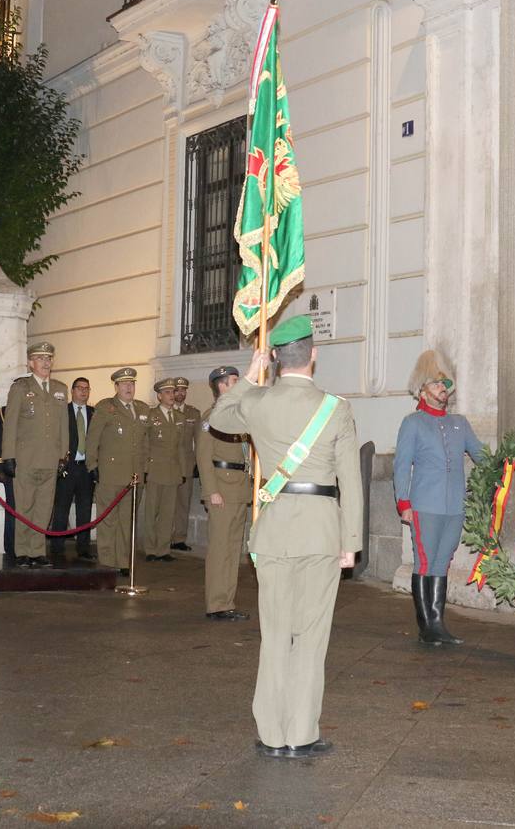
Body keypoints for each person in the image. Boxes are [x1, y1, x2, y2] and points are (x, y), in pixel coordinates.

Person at [210, 315, 362, 759]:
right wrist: (349, 541)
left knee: (275, 634)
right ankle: (301, 732)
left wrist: (249, 377)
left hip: (274, 531)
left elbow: (218, 418)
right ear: (314, 355)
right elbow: (350, 480)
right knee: (311, 636)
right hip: (320, 530)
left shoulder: (257, 401)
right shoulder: (337, 409)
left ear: (275, 358)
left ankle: (272, 735)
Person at [393, 351, 486, 647]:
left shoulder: (460, 423)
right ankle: (426, 627)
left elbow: (483, 457)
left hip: (454, 506)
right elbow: (401, 465)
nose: (442, 388)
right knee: (424, 562)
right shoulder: (413, 423)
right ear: (422, 391)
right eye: (435, 384)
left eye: (444, 384)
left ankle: (438, 624)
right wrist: (403, 502)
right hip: (424, 504)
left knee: (442, 563)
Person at [0, 341, 69, 568]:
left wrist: (63, 455)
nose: (46, 362)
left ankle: (37, 551)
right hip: (26, 459)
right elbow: (10, 425)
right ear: (31, 363)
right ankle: (22, 552)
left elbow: (63, 425)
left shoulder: (60, 389)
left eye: (49, 358)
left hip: (50, 459)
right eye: (40, 358)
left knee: (43, 507)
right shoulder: (20, 388)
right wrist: (7, 456)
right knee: (24, 506)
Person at [195, 366, 251, 621]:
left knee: (233, 548)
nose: (238, 385)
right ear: (222, 386)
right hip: (221, 488)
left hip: (239, 487)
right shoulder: (211, 418)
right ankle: (216, 604)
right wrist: (211, 491)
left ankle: (226, 601)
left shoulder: (237, 417)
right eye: (234, 381)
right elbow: (203, 458)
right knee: (220, 549)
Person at [84, 368, 149, 575]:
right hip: (109, 472)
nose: (129, 387)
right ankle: (107, 560)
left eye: (131, 384)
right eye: (124, 384)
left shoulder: (142, 408)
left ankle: (123, 561)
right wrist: (92, 465)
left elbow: (145, 442)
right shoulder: (106, 407)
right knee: (108, 519)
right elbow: (92, 439)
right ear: (116, 387)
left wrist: (145, 469)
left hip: (134, 475)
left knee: (127, 520)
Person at [50, 377, 96, 561]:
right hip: (67, 467)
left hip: (86, 468)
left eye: (87, 389)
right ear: (72, 391)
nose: (83, 392)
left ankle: (83, 548)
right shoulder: (63, 411)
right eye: (80, 388)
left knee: (84, 510)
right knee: (61, 508)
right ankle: (57, 548)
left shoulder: (94, 413)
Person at [142, 378, 184, 563]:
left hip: (173, 471)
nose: (171, 395)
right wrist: (145, 468)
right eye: (167, 392)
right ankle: (150, 549)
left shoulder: (179, 418)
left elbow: (181, 447)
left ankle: (163, 549)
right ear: (159, 396)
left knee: (168, 513)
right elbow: (144, 444)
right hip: (155, 470)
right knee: (152, 512)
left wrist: (182, 471)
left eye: (173, 392)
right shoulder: (151, 416)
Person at [170, 377, 197, 552]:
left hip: (186, 465)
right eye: (178, 390)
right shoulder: (164, 411)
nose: (181, 393)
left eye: (183, 390)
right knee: (165, 504)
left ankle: (179, 538)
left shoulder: (193, 413)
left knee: (182, 504)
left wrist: (197, 464)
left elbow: (199, 441)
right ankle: (163, 537)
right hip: (167, 464)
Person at [0, 405, 16, 560]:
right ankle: (11, 547)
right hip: (12, 468)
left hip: (32, 467)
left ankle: (28, 549)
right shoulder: (5, 411)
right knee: (13, 508)